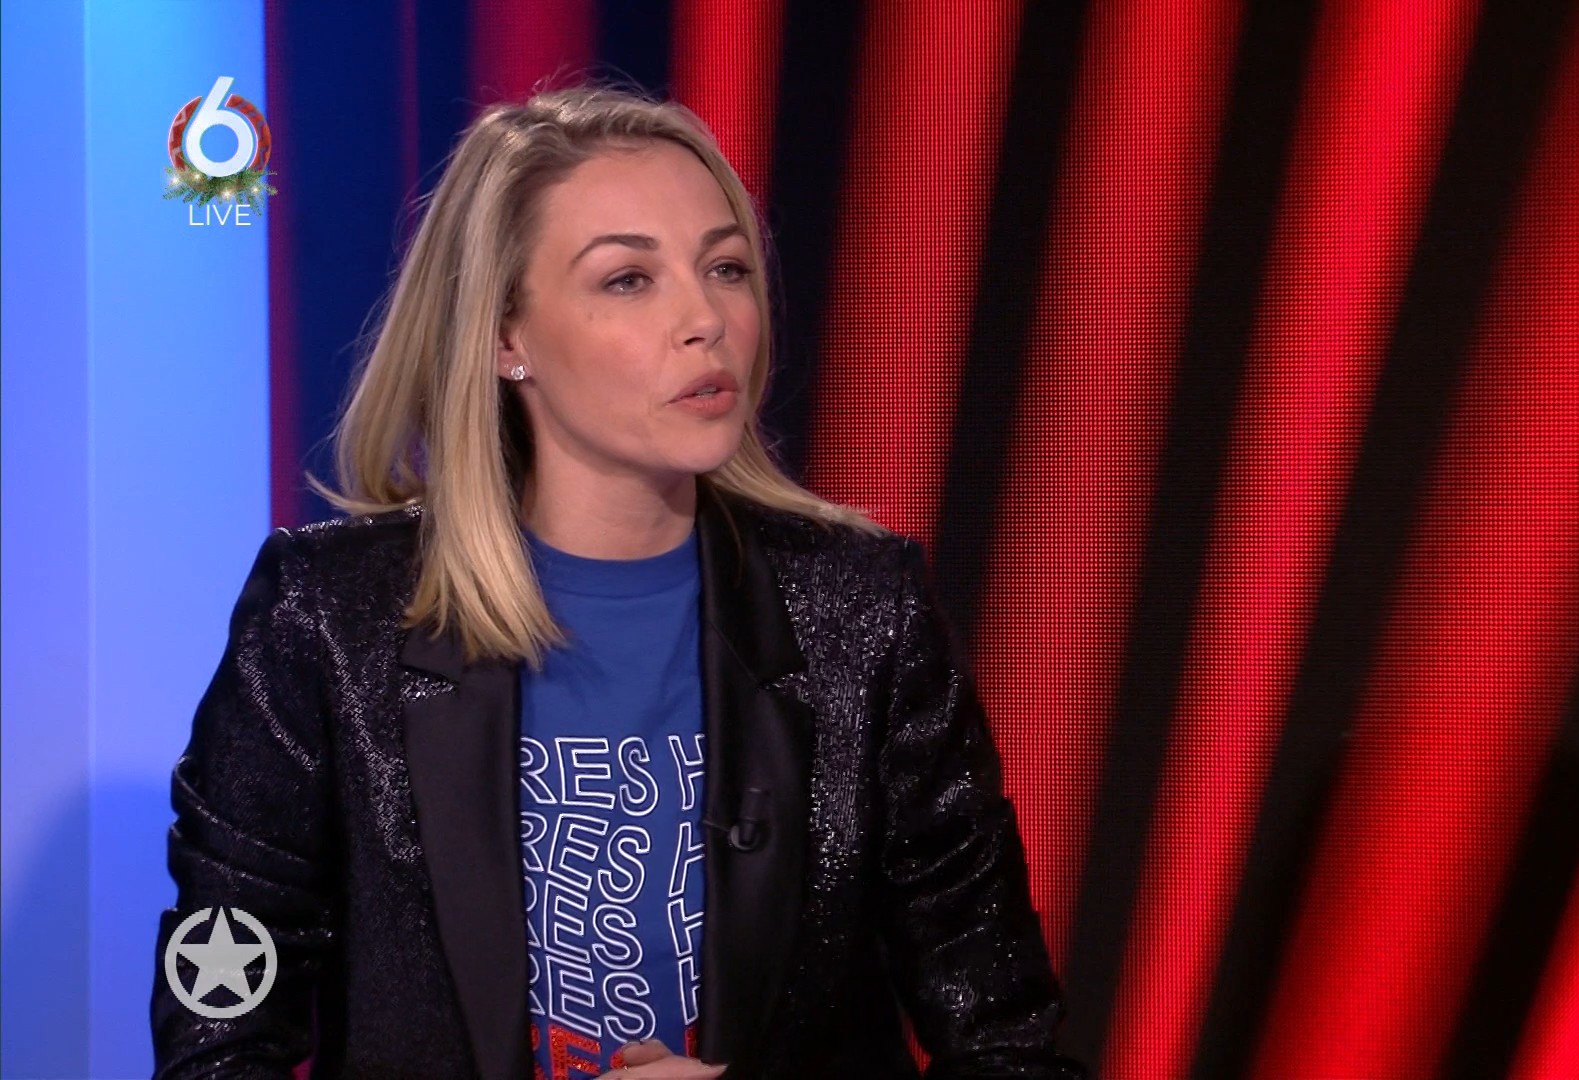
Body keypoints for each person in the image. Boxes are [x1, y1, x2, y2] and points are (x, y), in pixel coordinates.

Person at [150, 83, 1085, 1080]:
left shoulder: (863, 612)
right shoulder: (328, 619)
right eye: (629, 280)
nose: (706, 319)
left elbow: (1011, 1048)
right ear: (505, 336)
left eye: (726, 268)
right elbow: (220, 1043)